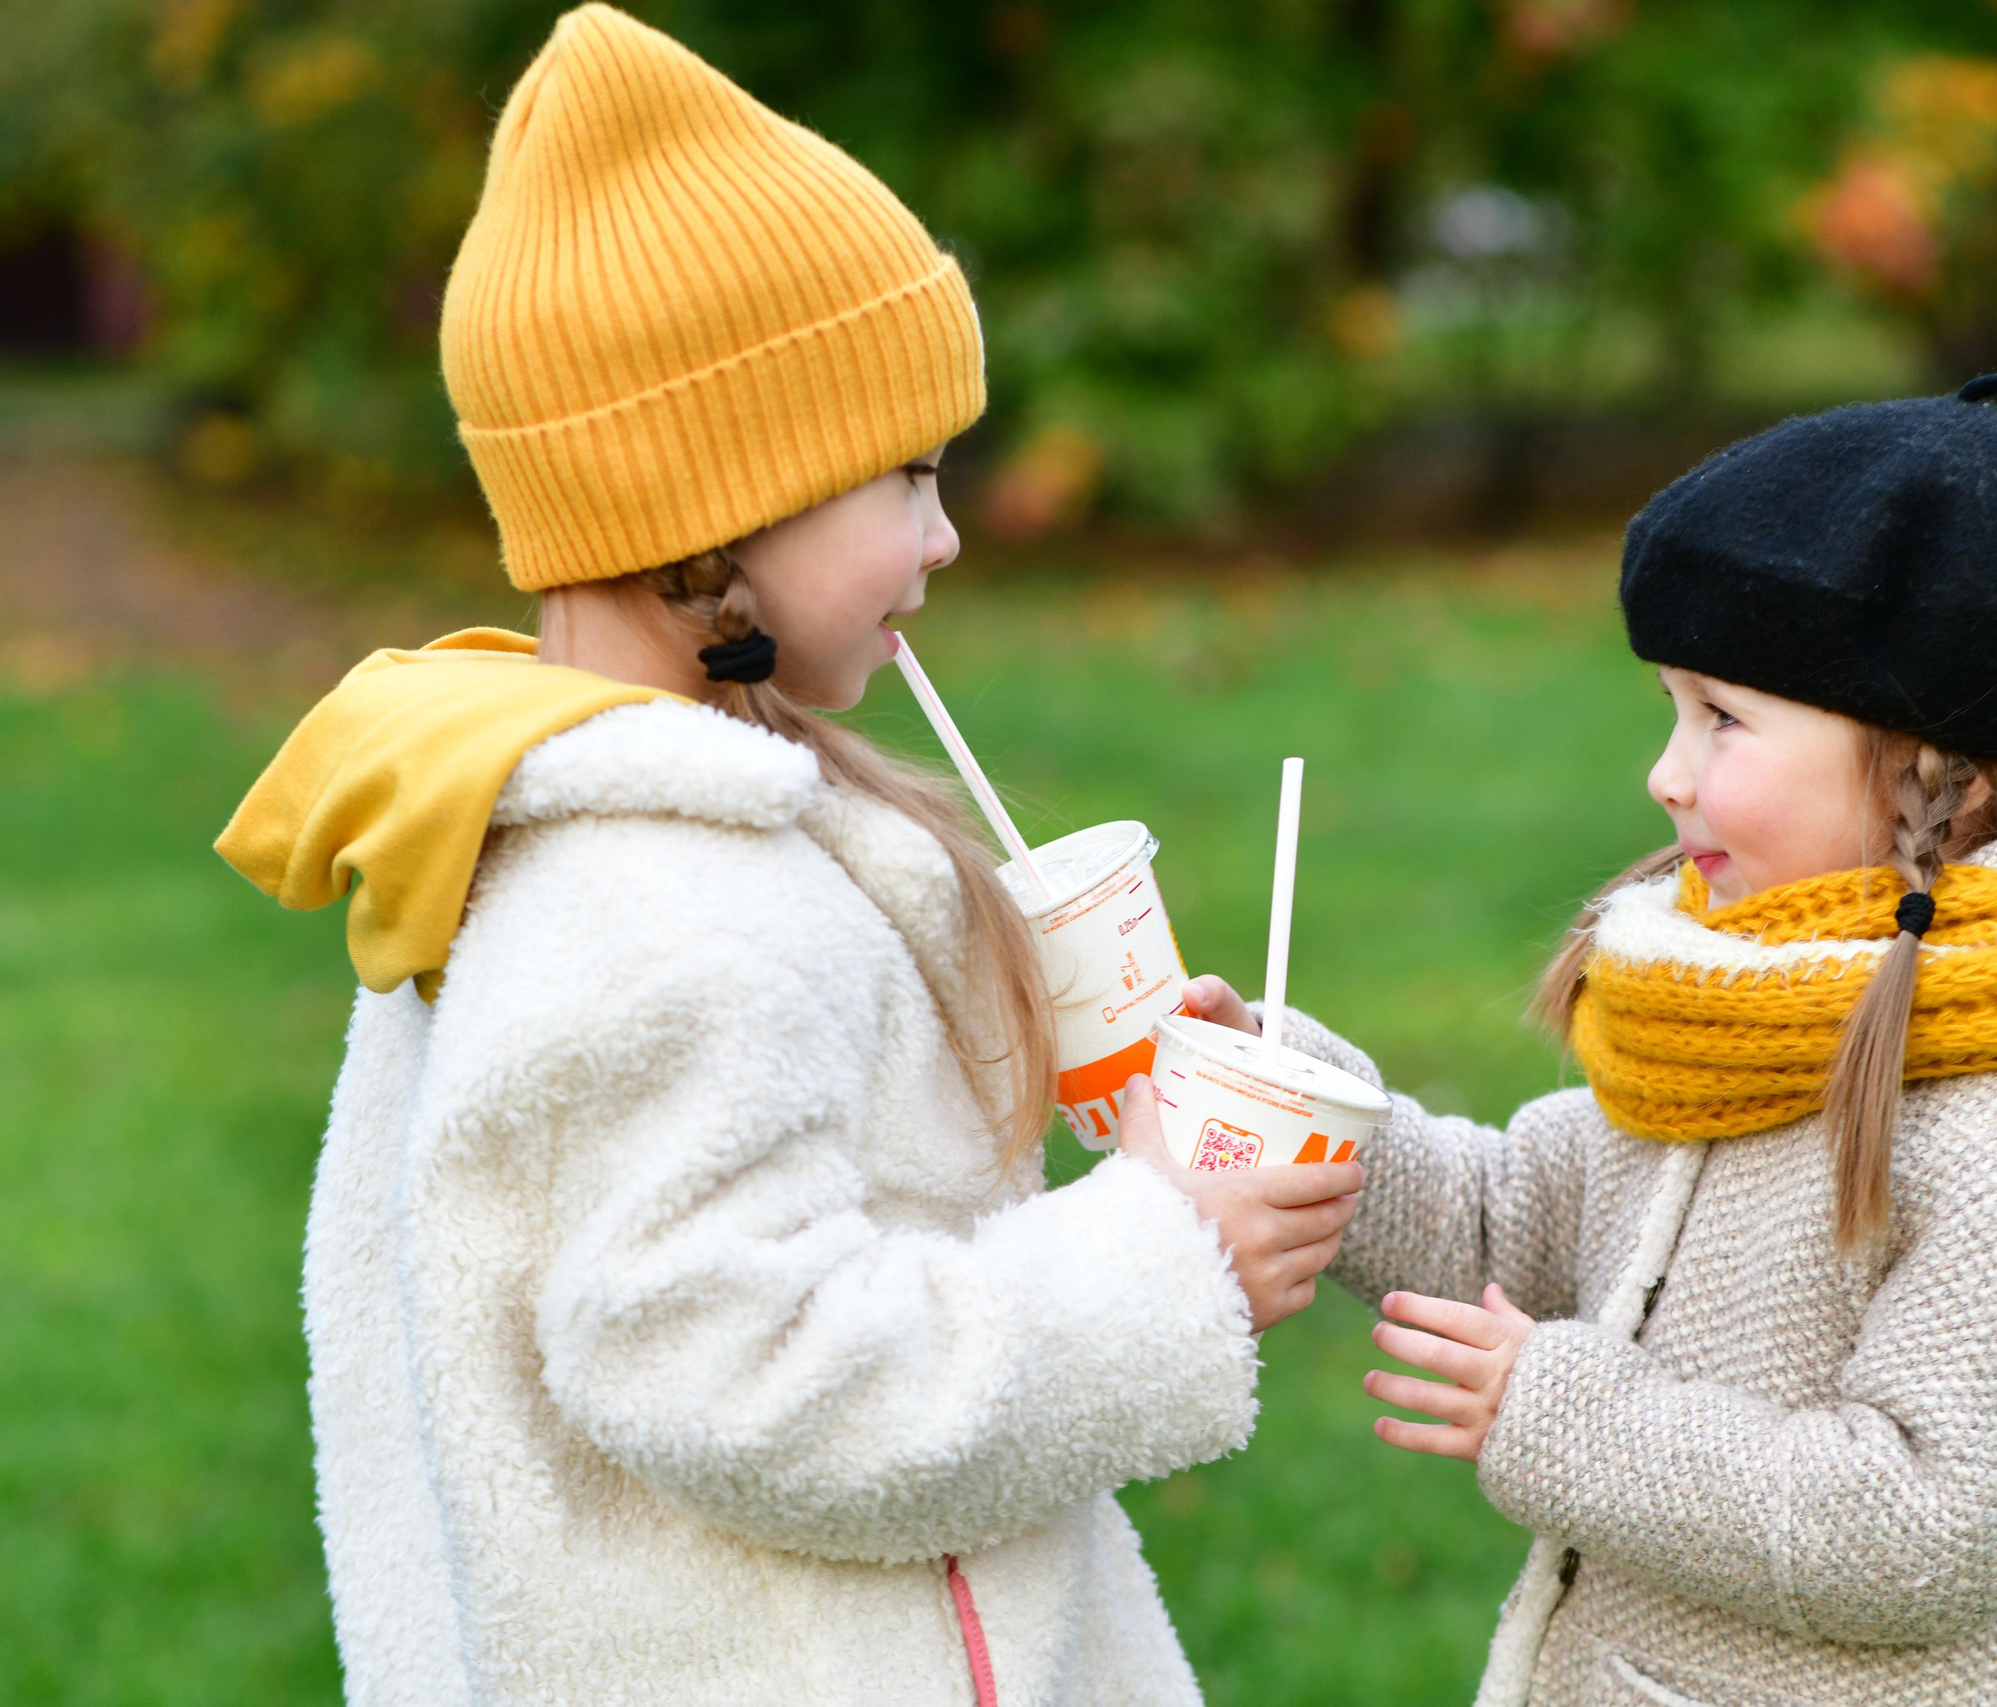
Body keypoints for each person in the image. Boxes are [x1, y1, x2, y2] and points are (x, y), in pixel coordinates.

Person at [213, 9, 1360, 1703]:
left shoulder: (674, 834)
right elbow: (752, 1368)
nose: (946, 534)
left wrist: (1089, 1093)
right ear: (717, 504)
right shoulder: (657, 906)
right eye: (906, 474)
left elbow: (795, 1161)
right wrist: (1156, 1262)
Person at [1164, 379, 1997, 1706]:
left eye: (1722, 718)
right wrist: (1300, 1093)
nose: (1667, 773)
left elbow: (1924, 1527)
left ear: (1940, 777)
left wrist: (1567, 1419)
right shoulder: (1750, 1009)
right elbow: (1510, 1220)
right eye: (1674, 710)